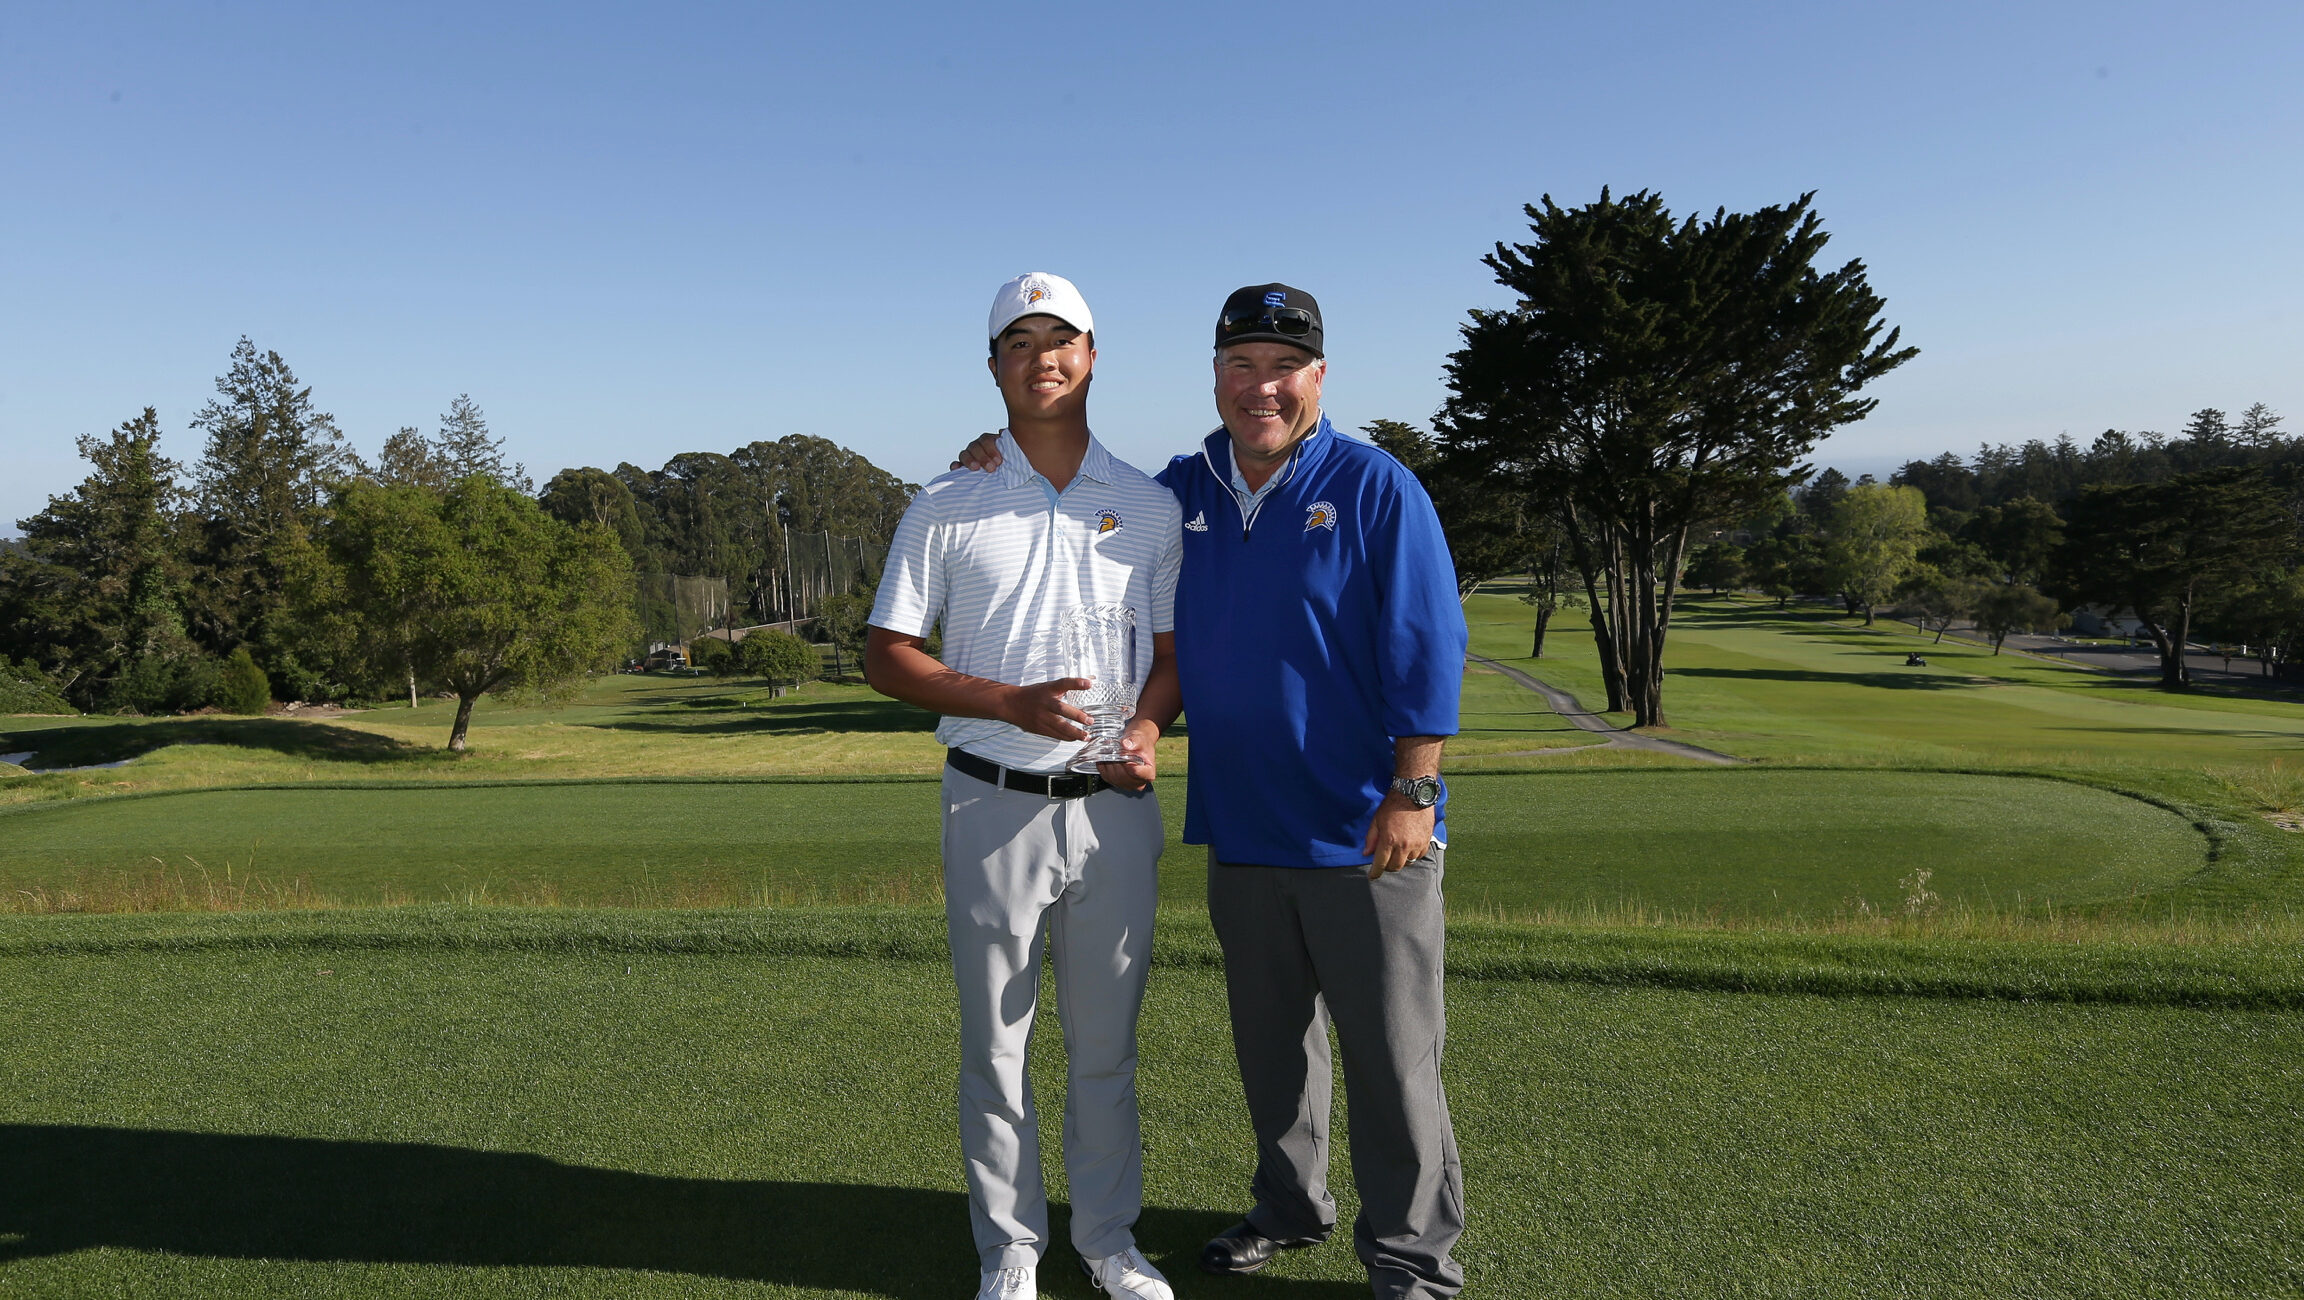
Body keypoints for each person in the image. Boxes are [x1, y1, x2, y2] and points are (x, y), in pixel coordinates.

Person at [956, 284, 1470, 1298]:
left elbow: (1425, 644)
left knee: (1392, 1061)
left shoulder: (1375, 487)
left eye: (1284, 365)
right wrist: (1001, 458)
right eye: (1241, 365)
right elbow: (1082, 519)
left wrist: (1416, 789)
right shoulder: (1181, 490)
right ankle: (1290, 1203)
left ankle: (1412, 1257)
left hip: (1364, 830)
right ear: (1216, 376)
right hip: (1242, 829)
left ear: (1318, 377)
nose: (1261, 386)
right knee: (1275, 1053)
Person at [866, 272, 1184, 1300]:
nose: (1042, 356)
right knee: (994, 1046)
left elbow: (1172, 653)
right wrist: (1004, 702)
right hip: (990, 801)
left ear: (1093, 356)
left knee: (1107, 1044)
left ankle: (1107, 1240)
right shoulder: (946, 503)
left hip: (1117, 811)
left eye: (1062, 338)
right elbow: (886, 654)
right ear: (993, 364)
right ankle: (1011, 1248)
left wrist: (1145, 723)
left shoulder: (1149, 503)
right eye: (1019, 340)